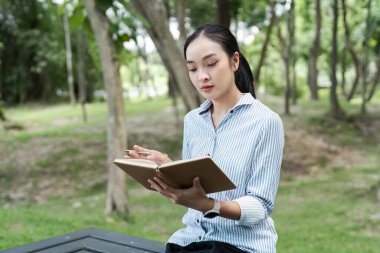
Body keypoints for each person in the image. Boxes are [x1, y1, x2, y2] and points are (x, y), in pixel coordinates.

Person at [126, 24, 284, 253]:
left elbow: (260, 206)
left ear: (235, 61)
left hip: (240, 246)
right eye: (193, 69)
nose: (202, 76)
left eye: (211, 64)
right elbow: (196, 182)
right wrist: (168, 167)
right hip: (190, 241)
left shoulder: (265, 121)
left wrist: (210, 206)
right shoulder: (193, 121)